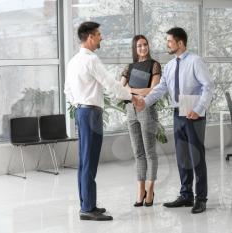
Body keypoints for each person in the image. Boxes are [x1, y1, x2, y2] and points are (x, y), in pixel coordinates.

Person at [134, 27, 213, 214]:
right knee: (182, 157)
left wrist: (199, 108)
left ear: (180, 43)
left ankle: (200, 198)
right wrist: (143, 102)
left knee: (196, 158)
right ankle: (186, 195)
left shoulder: (195, 61)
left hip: (194, 114)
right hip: (178, 113)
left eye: (169, 41)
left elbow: (208, 86)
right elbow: (160, 89)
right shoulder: (169, 66)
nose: (167, 44)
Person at [64, 21, 136, 221]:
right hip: (91, 114)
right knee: (90, 161)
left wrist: (78, 102)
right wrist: (131, 96)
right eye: (98, 34)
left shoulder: (72, 61)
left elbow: (66, 90)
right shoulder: (91, 60)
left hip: (81, 112)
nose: (101, 38)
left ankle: (87, 204)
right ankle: (88, 208)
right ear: (90, 37)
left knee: (84, 161)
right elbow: (110, 83)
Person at [120, 35, 161, 207]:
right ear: (135, 49)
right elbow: (121, 87)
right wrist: (136, 92)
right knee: (138, 153)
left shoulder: (154, 65)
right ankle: (140, 190)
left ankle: (150, 190)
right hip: (131, 110)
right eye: (139, 46)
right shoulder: (129, 66)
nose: (143, 48)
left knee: (150, 152)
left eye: (145, 45)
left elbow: (153, 90)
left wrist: (133, 91)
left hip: (146, 110)